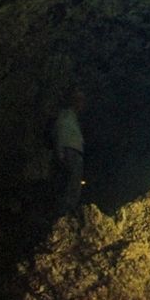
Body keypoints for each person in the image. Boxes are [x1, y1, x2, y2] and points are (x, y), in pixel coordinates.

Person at [51, 87, 86, 216]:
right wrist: (60, 151)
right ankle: (64, 212)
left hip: (74, 152)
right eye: (80, 100)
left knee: (74, 183)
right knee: (70, 183)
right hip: (70, 152)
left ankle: (67, 211)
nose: (82, 104)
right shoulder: (66, 115)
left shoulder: (72, 117)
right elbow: (59, 131)